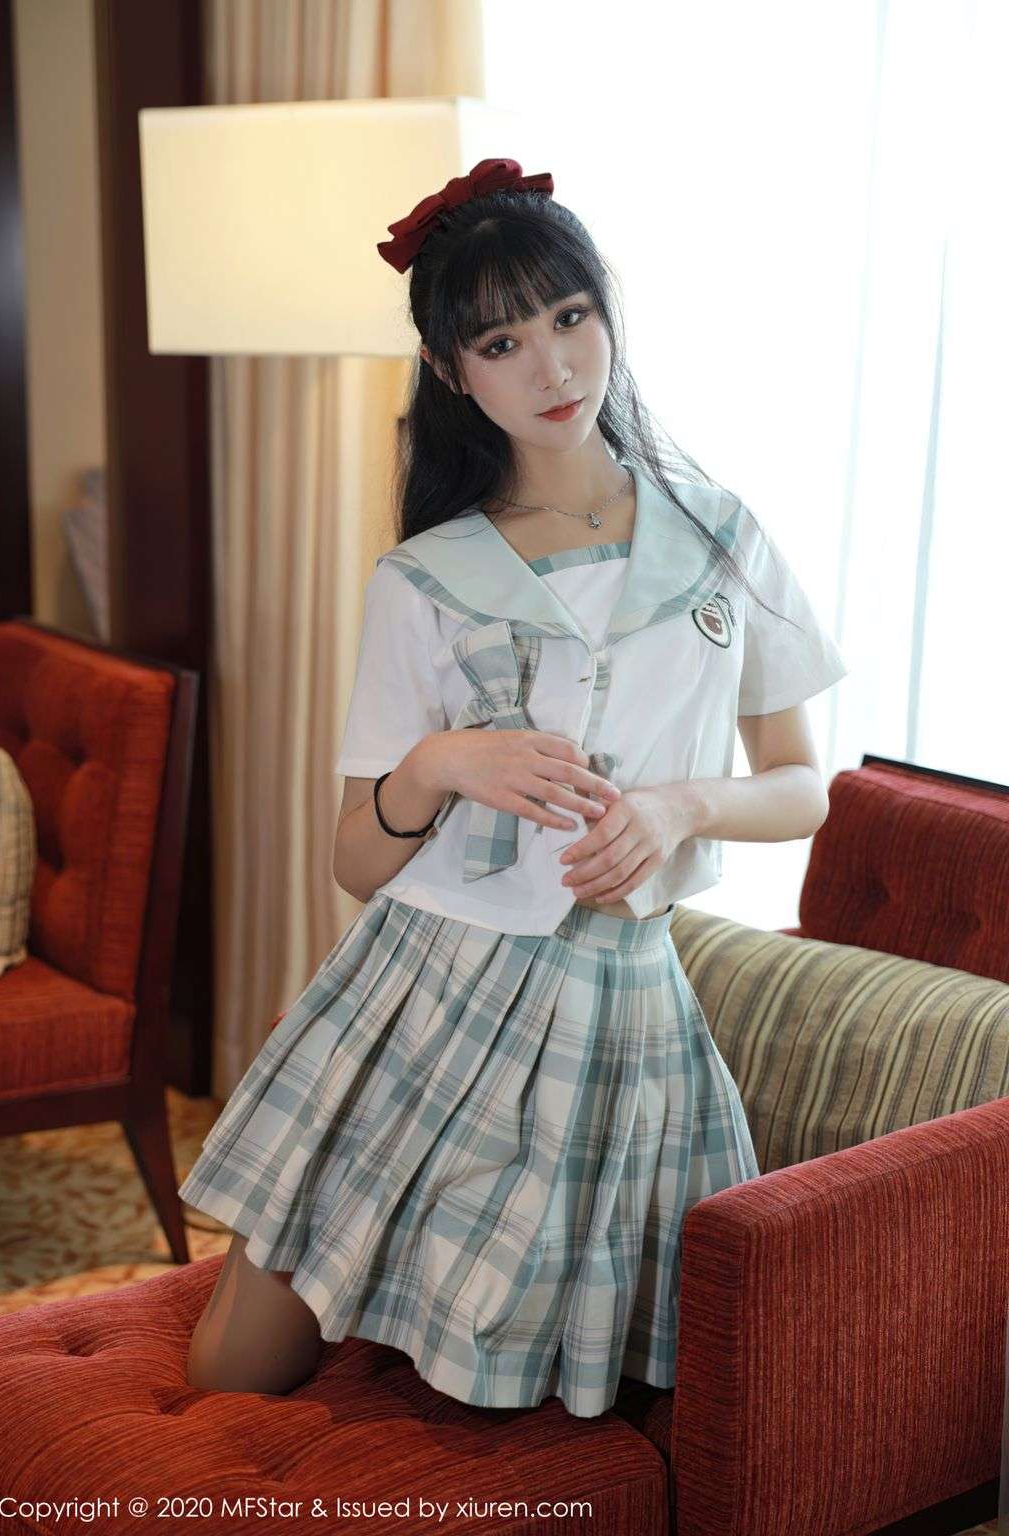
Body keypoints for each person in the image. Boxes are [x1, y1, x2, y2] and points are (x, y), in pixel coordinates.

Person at [179, 158, 849, 1417]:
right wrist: (438, 765)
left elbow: (804, 786)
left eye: (570, 316)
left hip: (615, 1009)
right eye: (501, 342)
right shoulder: (424, 577)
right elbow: (355, 861)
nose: (552, 366)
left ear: (605, 313)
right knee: (236, 1367)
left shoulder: (720, 537)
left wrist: (679, 808)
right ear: (452, 371)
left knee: (518, 1386)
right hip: (420, 991)